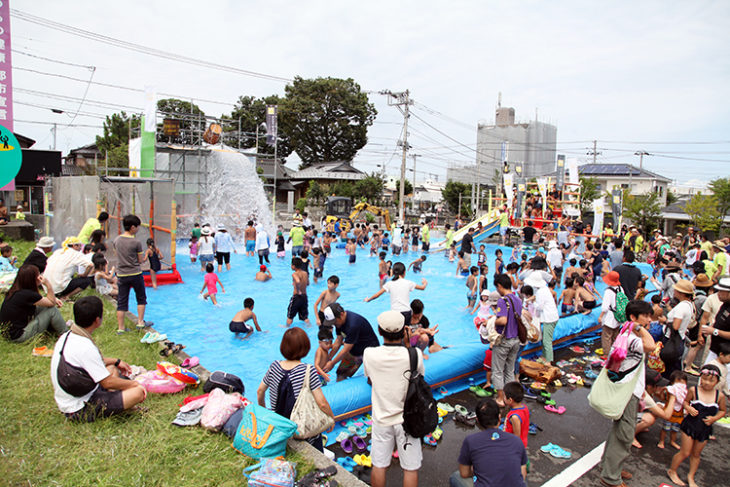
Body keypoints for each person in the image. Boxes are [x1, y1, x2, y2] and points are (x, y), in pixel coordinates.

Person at [50, 296, 146, 421]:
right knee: (137, 392)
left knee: (111, 368)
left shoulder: (68, 335)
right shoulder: (85, 347)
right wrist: (134, 384)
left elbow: (89, 363)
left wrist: (116, 361)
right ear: (97, 320)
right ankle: (118, 403)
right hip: (79, 408)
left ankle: (115, 399)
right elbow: (107, 382)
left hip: (78, 394)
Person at [598, 300, 655, 487]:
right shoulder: (632, 338)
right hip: (628, 391)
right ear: (633, 317)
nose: (649, 319)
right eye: (645, 316)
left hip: (626, 388)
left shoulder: (625, 333)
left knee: (618, 430)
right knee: (625, 433)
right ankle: (610, 477)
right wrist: (639, 327)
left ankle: (610, 466)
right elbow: (651, 346)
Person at [364, 310, 424, 487]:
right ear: (404, 331)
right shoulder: (414, 355)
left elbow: (370, 378)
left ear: (379, 331)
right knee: (410, 468)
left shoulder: (369, 354)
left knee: (379, 465)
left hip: (382, 418)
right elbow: (420, 377)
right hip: (408, 419)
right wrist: (408, 345)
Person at [257, 327, 334, 452]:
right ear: (305, 348)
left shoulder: (274, 366)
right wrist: (331, 418)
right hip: (299, 428)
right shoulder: (308, 371)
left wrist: (266, 415)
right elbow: (322, 403)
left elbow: (260, 391)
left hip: (279, 424)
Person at [667, 364, 726, 487]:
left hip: (705, 428)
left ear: (717, 381)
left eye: (711, 380)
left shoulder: (719, 396)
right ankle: (672, 470)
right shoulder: (694, 390)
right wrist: (689, 408)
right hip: (690, 425)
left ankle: (691, 476)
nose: (707, 383)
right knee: (685, 452)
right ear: (700, 378)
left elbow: (722, 411)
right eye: (704, 379)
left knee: (696, 454)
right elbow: (685, 402)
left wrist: (714, 418)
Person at [450, 398, 527, 487]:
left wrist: (478, 470)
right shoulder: (516, 440)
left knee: (456, 477)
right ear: (499, 417)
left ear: (478, 420)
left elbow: (464, 473)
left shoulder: (471, 441)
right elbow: (523, 474)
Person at [0, 265, 65, 342]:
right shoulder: (27, 294)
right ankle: (65, 334)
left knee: (44, 307)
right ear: (33, 279)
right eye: (38, 275)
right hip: (19, 336)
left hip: (8, 334)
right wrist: (48, 285)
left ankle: (55, 327)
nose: (40, 276)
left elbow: (41, 300)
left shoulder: (16, 290)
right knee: (52, 310)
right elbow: (51, 303)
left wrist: (54, 299)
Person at [322, 303, 380, 381]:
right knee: (341, 374)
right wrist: (329, 358)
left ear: (341, 314)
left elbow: (345, 350)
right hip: (355, 349)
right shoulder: (339, 323)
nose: (333, 324)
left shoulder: (353, 324)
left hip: (370, 352)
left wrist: (332, 363)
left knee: (373, 379)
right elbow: (338, 341)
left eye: (334, 322)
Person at [113, 215, 151, 333]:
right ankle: (140, 322)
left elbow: (116, 255)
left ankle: (121, 328)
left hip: (122, 274)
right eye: (137, 226)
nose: (138, 229)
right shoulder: (136, 242)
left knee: (122, 300)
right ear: (132, 227)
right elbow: (140, 260)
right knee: (141, 297)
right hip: (135, 273)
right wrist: (144, 258)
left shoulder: (117, 240)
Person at [492, 273, 523, 407]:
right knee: (509, 370)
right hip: (516, 339)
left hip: (504, 340)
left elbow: (503, 320)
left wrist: (493, 320)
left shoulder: (502, 301)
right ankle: (509, 397)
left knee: (498, 370)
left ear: (499, 286)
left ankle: (500, 398)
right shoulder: (518, 299)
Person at [663, 280, 696, 376]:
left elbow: (675, 326)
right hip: (679, 339)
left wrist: (665, 321)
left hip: (672, 339)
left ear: (681, 293)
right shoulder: (688, 304)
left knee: (669, 368)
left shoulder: (682, 307)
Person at [525, 273, 559, 365]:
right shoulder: (543, 289)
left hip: (549, 318)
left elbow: (540, 307)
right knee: (545, 339)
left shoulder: (541, 292)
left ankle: (549, 361)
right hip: (549, 316)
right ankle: (545, 356)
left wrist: (533, 302)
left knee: (547, 340)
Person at [657, 370, 688, 450]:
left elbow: (687, 402)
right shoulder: (670, 391)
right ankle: (661, 441)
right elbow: (662, 397)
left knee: (675, 430)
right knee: (665, 428)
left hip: (679, 414)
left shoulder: (686, 393)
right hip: (669, 413)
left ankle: (672, 441)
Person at [599, 271, 624, 356]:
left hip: (610, 316)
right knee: (615, 335)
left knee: (606, 336)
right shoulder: (620, 288)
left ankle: (606, 354)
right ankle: (615, 352)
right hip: (618, 315)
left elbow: (605, 306)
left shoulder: (608, 291)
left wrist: (601, 316)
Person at [504, 381, 529, 449]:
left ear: (510, 400)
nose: (503, 398)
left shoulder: (514, 417)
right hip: (523, 440)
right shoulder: (524, 407)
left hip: (514, 445)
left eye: (504, 396)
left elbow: (516, 436)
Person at [286, 257, 310, 326]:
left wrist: (298, 289)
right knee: (304, 316)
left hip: (297, 297)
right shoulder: (305, 273)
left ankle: (286, 327)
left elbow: (298, 281)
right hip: (304, 296)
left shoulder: (294, 274)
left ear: (293, 266)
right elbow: (307, 283)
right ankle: (309, 326)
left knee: (290, 315)